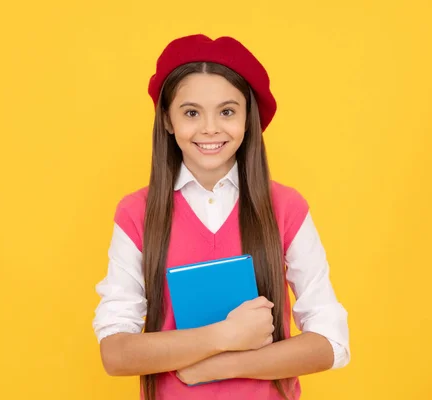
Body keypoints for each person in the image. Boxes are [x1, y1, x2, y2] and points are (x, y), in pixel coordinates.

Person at [92, 34, 350, 400]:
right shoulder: (136, 213)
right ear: (167, 119)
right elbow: (116, 354)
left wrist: (218, 366)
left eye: (227, 111)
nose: (210, 128)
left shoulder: (287, 207)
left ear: (248, 119)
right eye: (191, 112)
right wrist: (224, 336)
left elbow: (330, 343)